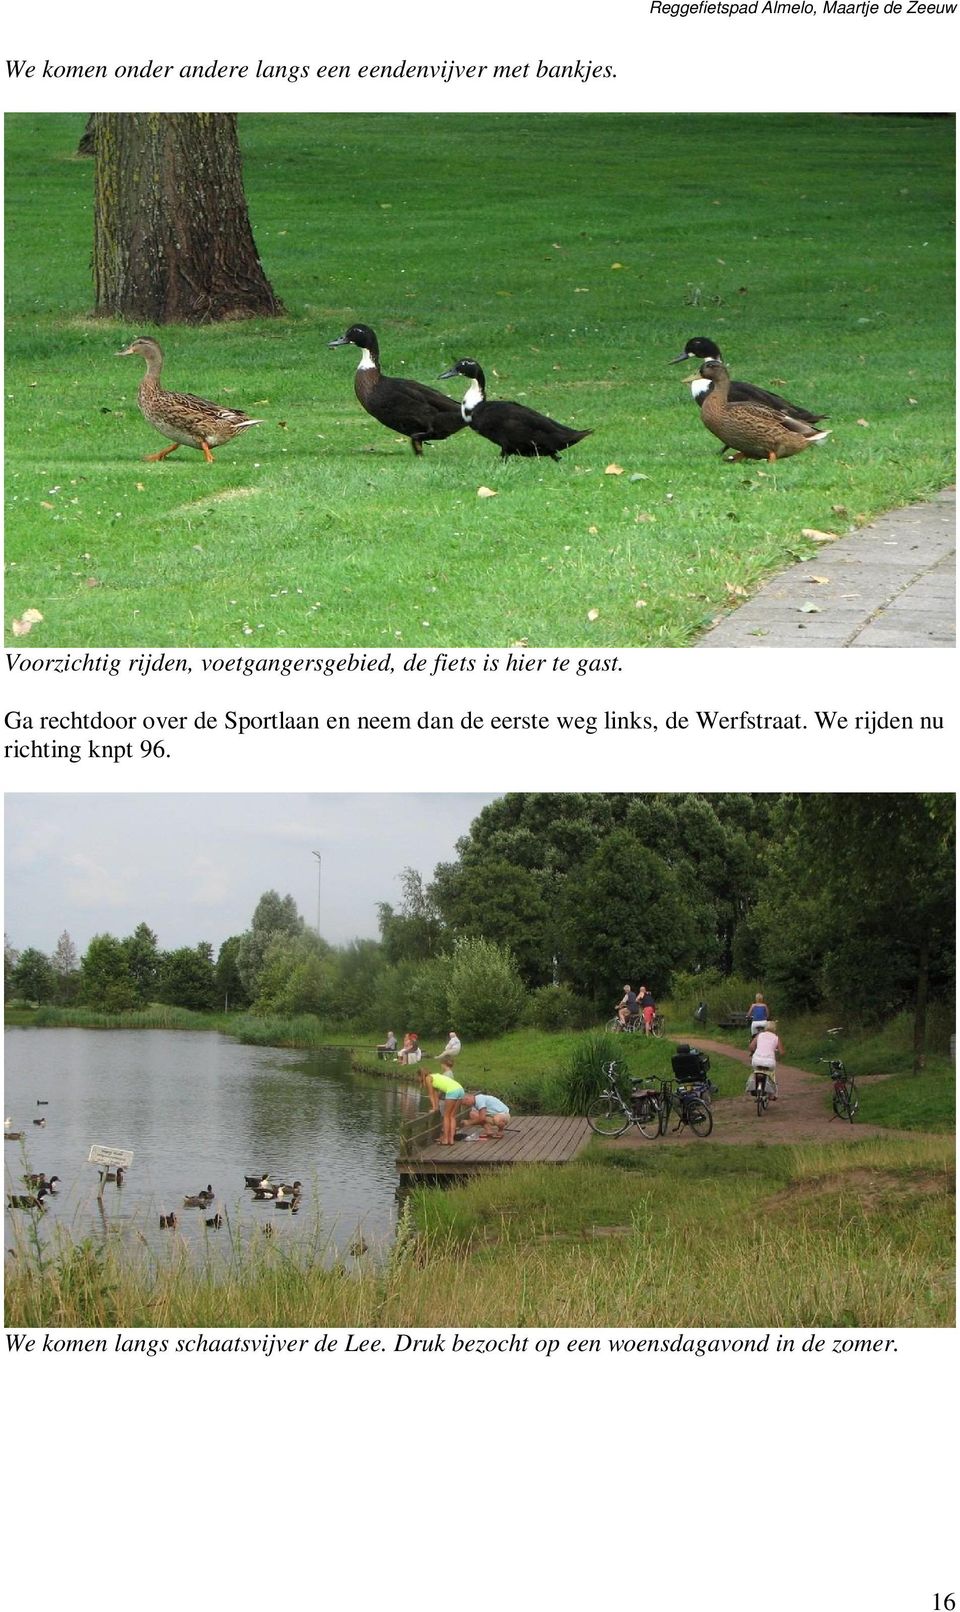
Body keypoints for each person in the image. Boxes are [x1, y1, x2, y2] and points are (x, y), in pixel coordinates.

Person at [422, 1058, 466, 1144]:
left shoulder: (428, 1078)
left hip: (452, 1091)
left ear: (421, 1076)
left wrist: (434, 1108)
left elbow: (431, 1094)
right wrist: (436, 1106)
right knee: (452, 1116)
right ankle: (451, 1140)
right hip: (460, 1089)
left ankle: (446, 1139)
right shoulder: (436, 1076)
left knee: (446, 1116)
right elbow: (435, 1095)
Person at [748, 1022, 783, 1099]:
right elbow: (781, 1052)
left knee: (755, 1070)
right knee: (772, 1073)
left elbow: (751, 1047)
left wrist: (754, 1051)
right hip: (769, 1062)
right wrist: (778, 1056)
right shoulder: (776, 1038)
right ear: (774, 1028)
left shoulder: (759, 1035)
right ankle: (772, 1094)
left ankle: (753, 1085)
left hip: (756, 1060)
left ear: (765, 1027)